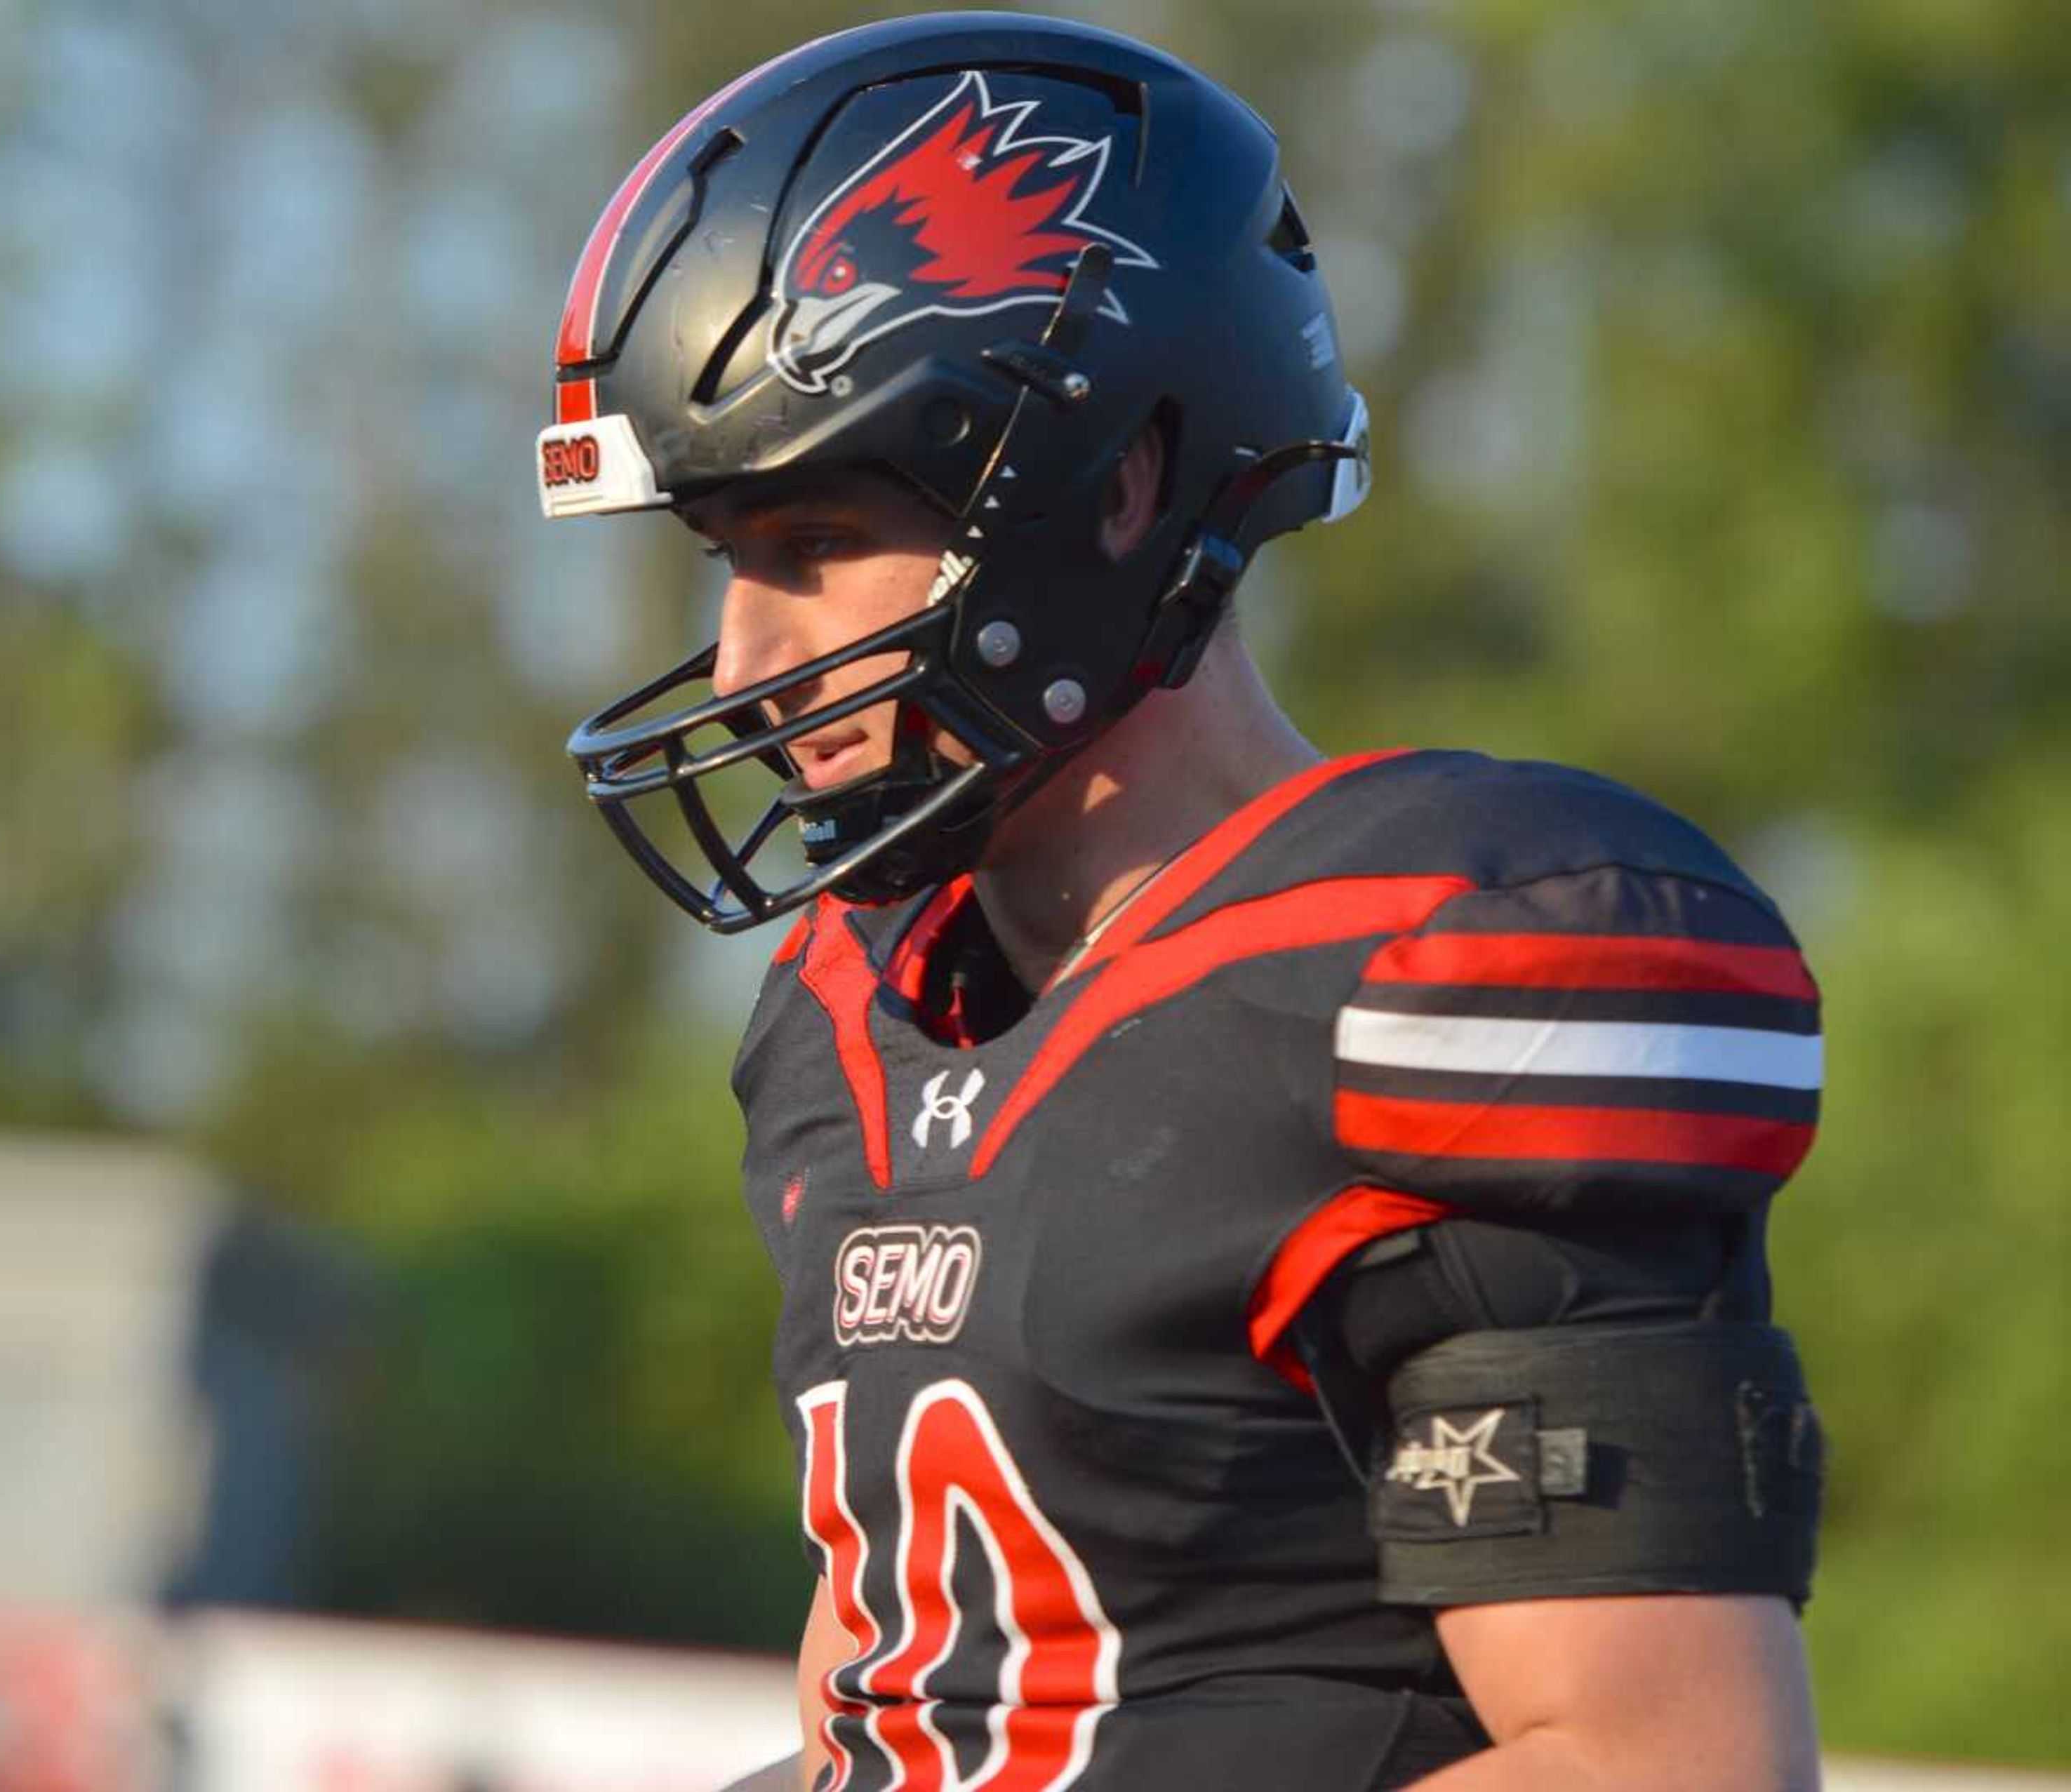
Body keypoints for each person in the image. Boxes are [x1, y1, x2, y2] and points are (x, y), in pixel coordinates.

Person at [535, 16, 1825, 1791]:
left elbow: (1663, 1765)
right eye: (726, 559)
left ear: (1117, 485)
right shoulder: (850, 1017)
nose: (747, 659)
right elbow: (909, 1718)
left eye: (817, 545)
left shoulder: (1426, 973)